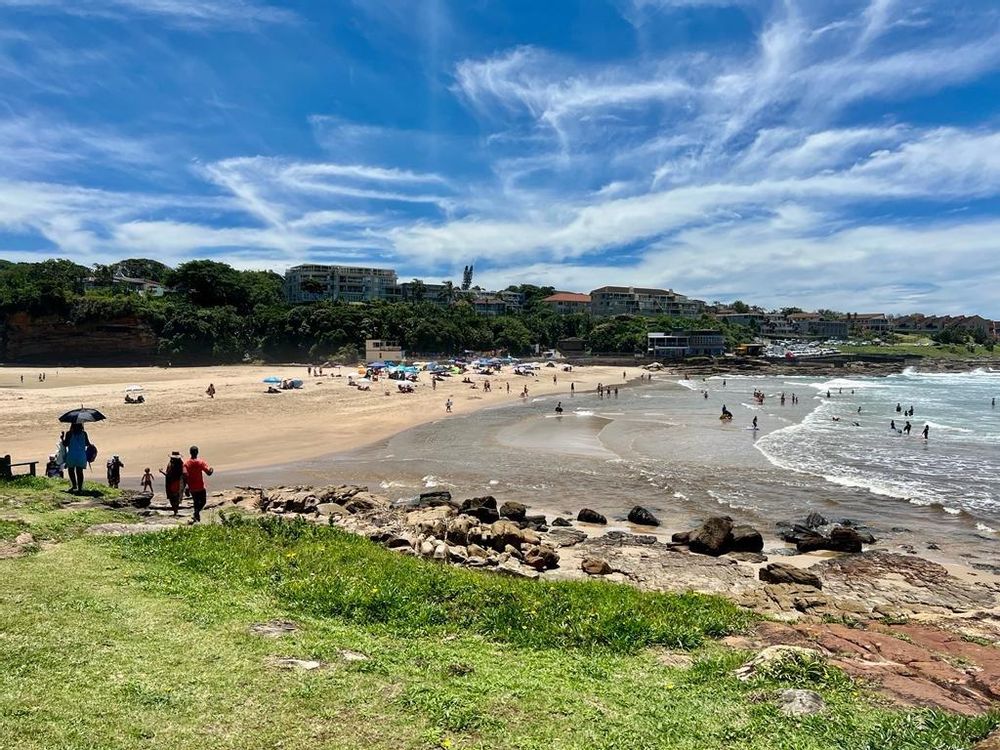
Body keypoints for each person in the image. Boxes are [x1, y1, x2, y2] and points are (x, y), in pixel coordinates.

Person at [183, 446, 213, 524]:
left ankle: (196, 517)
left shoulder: (186, 464)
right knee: (203, 502)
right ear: (197, 452)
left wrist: (186, 487)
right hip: (200, 486)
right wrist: (211, 469)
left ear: (190, 453)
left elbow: (184, 475)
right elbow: (208, 473)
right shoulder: (200, 462)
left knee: (196, 502)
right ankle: (196, 514)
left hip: (192, 487)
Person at [62, 423, 90, 493]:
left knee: (71, 470)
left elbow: (65, 444)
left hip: (71, 454)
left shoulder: (69, 433)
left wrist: (62, 438)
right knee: (80, 471)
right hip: (81, 455)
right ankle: (80, 488)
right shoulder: (84, 433)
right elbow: (87, 444)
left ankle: (74, 485)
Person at [161, 451, 184, 516]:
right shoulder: (181, 464)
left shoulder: (171, 465)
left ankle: (175, 511)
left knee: (172, 498)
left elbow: (168, 475)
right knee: (177, 497)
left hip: (172, 483)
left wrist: (162, 471)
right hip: (179, 483)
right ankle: (176, 511)